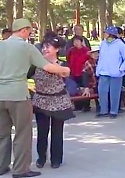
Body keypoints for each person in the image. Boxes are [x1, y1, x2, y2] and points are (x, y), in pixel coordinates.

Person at [0, 18, 70, 178]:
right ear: (24, 30)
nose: (30, 33)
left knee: (1, 133)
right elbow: (47, 66)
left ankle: (0, 167)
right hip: (18, 96)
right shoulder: (27, 48)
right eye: (29, 30)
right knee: (22, 133)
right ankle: (20, 169)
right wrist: (65, 69)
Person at [28, 32, 75, 169]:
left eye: (49, 46)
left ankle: (56, 159)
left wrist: (52, 65)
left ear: (57, 49)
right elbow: (25, 75)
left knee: (57, 131)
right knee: (42, 131)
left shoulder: (62, 64)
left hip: (58, 101)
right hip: (41, 100)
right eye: (44, 46)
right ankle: (41, 158)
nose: (45, 49)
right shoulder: (36, 64)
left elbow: (65, 72)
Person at [96, 26, 125, 119]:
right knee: (102, 91)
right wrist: (98, 70)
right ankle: (104, 110)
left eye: (106, 33)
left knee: (114, 93)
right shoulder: (103, 43)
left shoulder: (120, 44)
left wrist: (120, 69)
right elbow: (101, 58)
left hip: (116, 74)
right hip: (103, 72)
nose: (104, 34)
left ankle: (114, 111)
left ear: (111, 34)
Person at [66, 35, 91, 111]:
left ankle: (86, 105)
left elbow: (89, 61)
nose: (76, 43)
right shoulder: (71, 50)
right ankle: (77, 105)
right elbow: (68, 59)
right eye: (74, 41)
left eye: (77, 41)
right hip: (73, 72)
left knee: (84, 87)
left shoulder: (86, 50)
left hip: (83, 72)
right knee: (75, 88)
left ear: (81, 42)